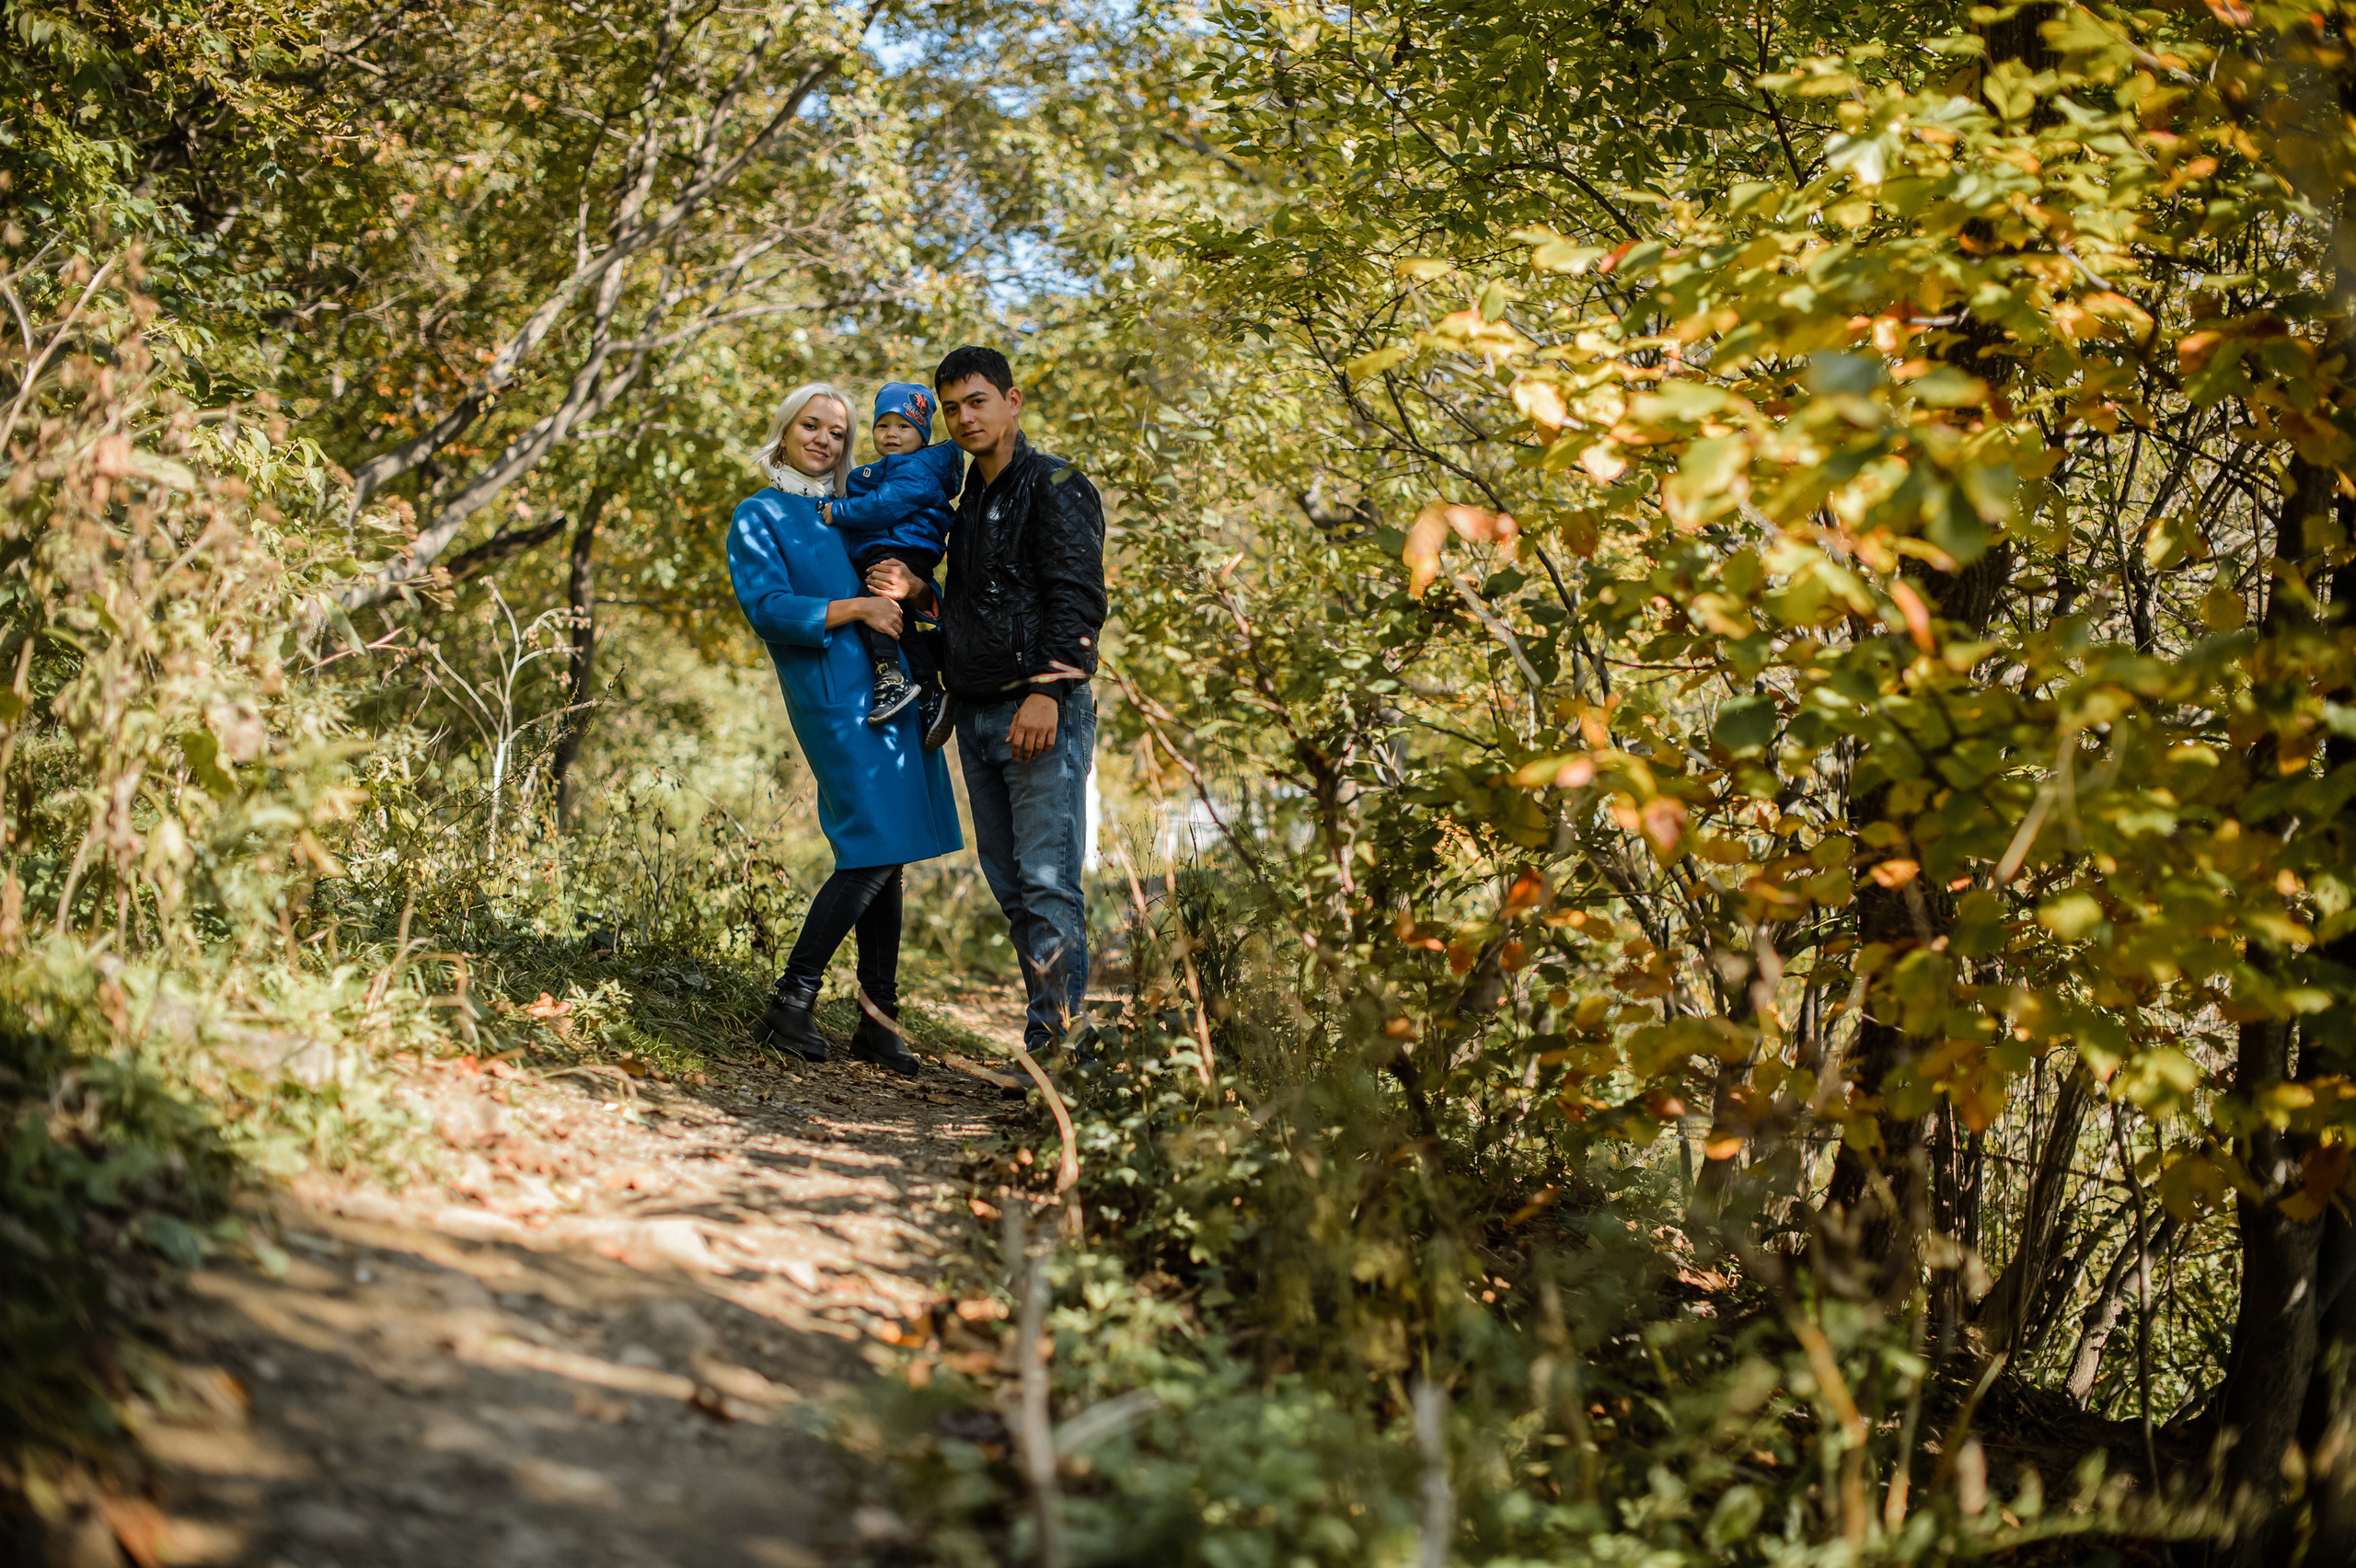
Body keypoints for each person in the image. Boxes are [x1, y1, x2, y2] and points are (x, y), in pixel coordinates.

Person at [865, 346, 1106, 1063]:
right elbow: (978, 606)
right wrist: (920, 595)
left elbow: (1078, 598)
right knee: (1012, 886)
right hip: (976, 714)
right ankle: (1048, 1036)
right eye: (952, 407)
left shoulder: (1056, 483)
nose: (965, 417)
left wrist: (1047, 690)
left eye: (978, 401)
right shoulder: (968, 501)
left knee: (1048, 882)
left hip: (1038, 713)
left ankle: (1060, 1052)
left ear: (1012, 401)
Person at [728, 382, 964, 1076]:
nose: (825, 440)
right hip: (839, 699)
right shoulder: (759, 514)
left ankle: (877, 1020)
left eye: (838, 432)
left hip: (900, 693)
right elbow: (769, 607)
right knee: (873, 846)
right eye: (812, 426)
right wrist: (856, 609)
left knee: (887, 851)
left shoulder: (852, 513)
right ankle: (792, 1000)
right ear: (785, 431)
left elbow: (913, 587)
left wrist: (917, 592)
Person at [818, 383, 962, 743]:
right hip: (897, 543)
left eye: (904, 426)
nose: (891, 434)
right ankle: (930, 691)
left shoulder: (916, 469)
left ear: (922, 433)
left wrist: (839, 511)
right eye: (883, 425)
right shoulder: (898, 467)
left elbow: (884, 505)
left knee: (875, 604)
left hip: (901, 547)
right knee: (902, 625)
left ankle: (891, 677)